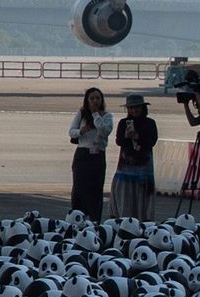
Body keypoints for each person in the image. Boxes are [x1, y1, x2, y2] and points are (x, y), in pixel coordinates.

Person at [112, 93, 161, 223]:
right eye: (131, 108)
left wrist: (137, 137)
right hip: (126, 169)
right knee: (125, 201)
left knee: (143, 205)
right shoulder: (123, 123)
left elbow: (151, 141)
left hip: (143, 170)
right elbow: (119, 141)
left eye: (137, 107)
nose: (134, 110)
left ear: (143, 107)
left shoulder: (150, 123)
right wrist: (127, 137)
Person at [69, 89, 107, 221]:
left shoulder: (106, 116)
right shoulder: (81, 113)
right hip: (83, 154)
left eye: (98, 98)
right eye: (92, 98)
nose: (95, 101)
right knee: (79, 187)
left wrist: (96, 115)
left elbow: (104, 131)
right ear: (87, 100)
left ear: (101, 100)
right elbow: (71, 132)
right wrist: (81, 131)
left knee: (96, 189)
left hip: (98, 155)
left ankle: (94, 218)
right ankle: (77, 218)